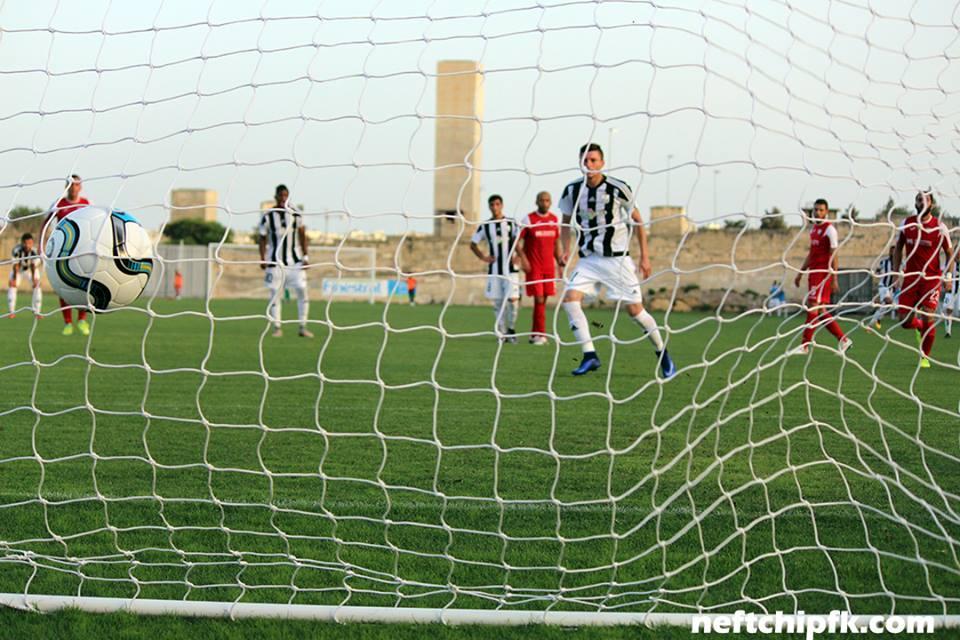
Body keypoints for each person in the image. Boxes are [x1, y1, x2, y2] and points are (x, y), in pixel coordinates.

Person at [557, 143, 675, 377]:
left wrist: (645, 257)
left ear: (602, 163)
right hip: (589, 260)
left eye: (593, 160)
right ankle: (590, 355)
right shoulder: (572, 190)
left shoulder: (618, 188)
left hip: (617, 260)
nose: (589, 165)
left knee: (635, 311)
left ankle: (662, 353)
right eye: (585, 160)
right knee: (570, 299)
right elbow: (565, 222)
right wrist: (565, 249)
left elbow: (638, 222)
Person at [893, 191, 954, 367]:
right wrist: (896, 273)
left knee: (928, 315)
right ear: (916, 203)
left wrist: (948, 277)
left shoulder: (940, 227)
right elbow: (898, 248)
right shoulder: (906, 224)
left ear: (931, 204)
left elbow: (949, 253)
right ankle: (919, 325)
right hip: (910, 278)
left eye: (926, 200)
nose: (922, 202)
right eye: (919, 200)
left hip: (931, 279)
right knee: (904, 321)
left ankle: (924, 357)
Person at [794, 198, 851, 354]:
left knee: (813, 307)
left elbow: (834, 255)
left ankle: (804, 345)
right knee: (820, 311)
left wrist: (834, 278)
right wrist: (800, 272)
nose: (817, 212)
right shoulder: (813, 229)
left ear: (826, 212)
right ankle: (844, 340)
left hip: (822, 274)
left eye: (821, 210)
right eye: (815, 210)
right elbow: (811, 254)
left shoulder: (830, 230)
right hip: (813, 273)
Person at [258, 184, 312, 338]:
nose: (283, 198)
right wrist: (262, 258)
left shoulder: (296, 214)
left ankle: (302, 326)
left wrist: (305, 257)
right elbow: (262, 238)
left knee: (302, 291)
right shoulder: (268, 216)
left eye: (285, 196)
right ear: (275, 197)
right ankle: (277, 327)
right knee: (274, 294)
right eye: (280, 196)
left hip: (295, 262)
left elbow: (302, 235)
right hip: (274, 262)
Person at [42, 175, 90, 336]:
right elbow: (45, 224)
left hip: (82, 253)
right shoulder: (58, 204)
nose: (73, 187)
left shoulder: (86, 204)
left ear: (80, 187)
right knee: (63, 287)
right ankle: (67, 322)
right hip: (62, 253)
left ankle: (82, 319)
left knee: (83, 285)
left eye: (76, 185)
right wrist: (42, 245)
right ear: (66, 187)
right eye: (70, 184)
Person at [470, 194, 521, 343]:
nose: (495, 207)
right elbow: (473, 244)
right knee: (498, 302)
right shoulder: (485, 226)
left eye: (497, 204)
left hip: (511, 269)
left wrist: (519, 256)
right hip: (495, 270)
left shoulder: (511, 223)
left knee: (513, 301)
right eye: (492, 205)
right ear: (489, 207)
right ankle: (502, 332)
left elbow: (520, 240)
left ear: (502, 205)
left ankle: (511, 329)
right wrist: (483, 257)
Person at [516, 191, 561, 344]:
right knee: (539, 298)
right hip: (534, 267)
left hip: (549, 267)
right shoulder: (529, 219)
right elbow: (516, 241)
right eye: (541, 200)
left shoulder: (554, 220)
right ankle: (541, 334)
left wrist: (559, 262)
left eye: (547, 200)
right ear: (536, 202)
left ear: (551, 202)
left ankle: (534, 334)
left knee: (542, 301)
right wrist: (523, 259)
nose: (544, 203)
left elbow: (556, 243)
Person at [7, 233, 42, 318]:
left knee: (37, 286)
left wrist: (34, 279)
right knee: (12, 285)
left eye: (30, 243)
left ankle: (37, 312)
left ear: (32, 243)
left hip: (30, 270)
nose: (27, 245)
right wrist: (14, 279)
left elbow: (33, 266)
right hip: (19, 270)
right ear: (22, 242)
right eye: (26, 243)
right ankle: (11, 312)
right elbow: (16, 265)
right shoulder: (16, 250)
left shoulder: (35, 252)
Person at [866, 246, 897, 331]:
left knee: (883, 308)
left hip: (891, 288)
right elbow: (878, 270)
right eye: (892, 251)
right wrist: (878, 273)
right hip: (883, 286)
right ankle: (876, 321)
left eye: (895, 252)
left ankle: (872, 324)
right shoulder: (884, 261)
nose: (893, 253)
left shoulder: (899, 263)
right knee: (888, 301)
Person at [944, 258, 959, 338]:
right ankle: (948, 331)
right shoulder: (950, 263)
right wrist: (945, 283)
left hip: (959, 291)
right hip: (950, 291)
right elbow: (944, 274)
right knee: (948, 310)